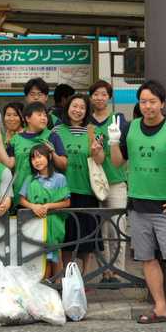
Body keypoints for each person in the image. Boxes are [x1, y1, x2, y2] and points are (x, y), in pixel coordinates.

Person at [109, 80, 166, 329]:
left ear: (162, 103)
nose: (148, 106)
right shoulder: (131, 128)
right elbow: (117, 162)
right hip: (138, 206)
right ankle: (160, 307)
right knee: (147, 259)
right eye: (143, 101)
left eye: (152, 101)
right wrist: (113, 142)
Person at [53, 94, 105, 274]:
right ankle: (68, 274)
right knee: (67, 237)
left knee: (86, 238)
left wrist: (96, 151)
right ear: (67, 108)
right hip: (63, 191)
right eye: (74, 106)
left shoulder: (93, 131)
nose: (78, 110)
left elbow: (100, 160)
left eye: (82, 107)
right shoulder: (57, 131)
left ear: (87, 111)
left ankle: (84, 277)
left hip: (86, 190)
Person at [89, 79, 130, 283]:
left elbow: (125, 150)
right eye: (96, 94)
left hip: (115, 181)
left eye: (103, 94)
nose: (99, 97)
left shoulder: (118, 120)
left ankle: (118, 272)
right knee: (100, 231)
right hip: (94, 184)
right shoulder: (86, 123)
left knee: (117, 228)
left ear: (109, 96)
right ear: (91, 97)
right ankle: (105, 271)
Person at [0, 101, 67, 205]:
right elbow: (9, 163)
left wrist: (53, 152)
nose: (43, 118)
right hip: (22, 193)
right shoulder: (16, 139)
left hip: (47, 195)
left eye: (45, 115)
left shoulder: (52, 136)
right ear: (27, 118)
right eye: (39, 115)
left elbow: (63, 165)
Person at [19, 144, 71, 279]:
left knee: (55, 256)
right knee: (41, 258)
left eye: (39, 156)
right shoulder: (30, 179)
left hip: (54, 224)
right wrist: (33, 206)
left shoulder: (60, 178)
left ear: (48, 157)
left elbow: (66, 202)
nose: (37, 161)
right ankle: (44, 289)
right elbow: (22, 200)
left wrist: (48, 205)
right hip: (35, 225)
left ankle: (58, 288)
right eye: (33, 158)